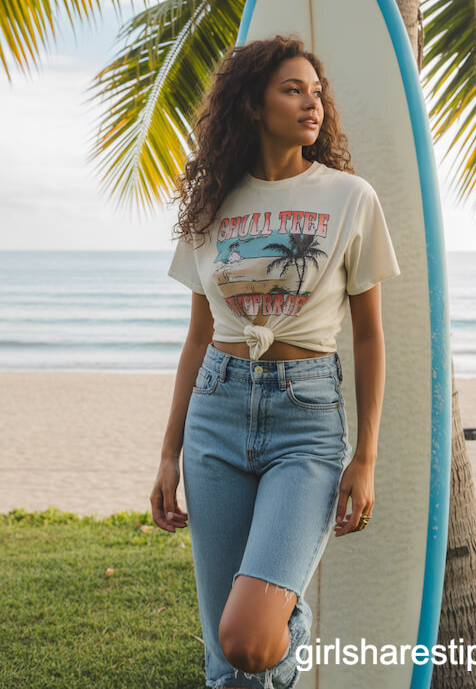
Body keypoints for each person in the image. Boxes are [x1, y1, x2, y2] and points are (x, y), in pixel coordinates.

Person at [150, 34, 401, 689]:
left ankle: (292, 620)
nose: (312, 103)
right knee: (225, 657)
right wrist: (168, 453)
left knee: (251, 638)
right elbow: (198, 337)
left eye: (317, 92)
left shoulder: (351, 198)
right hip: (216, 413)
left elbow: (371, 336)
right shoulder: (210, 206)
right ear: (253, 105)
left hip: (306, 421)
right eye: (293, 89)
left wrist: (366, 458)